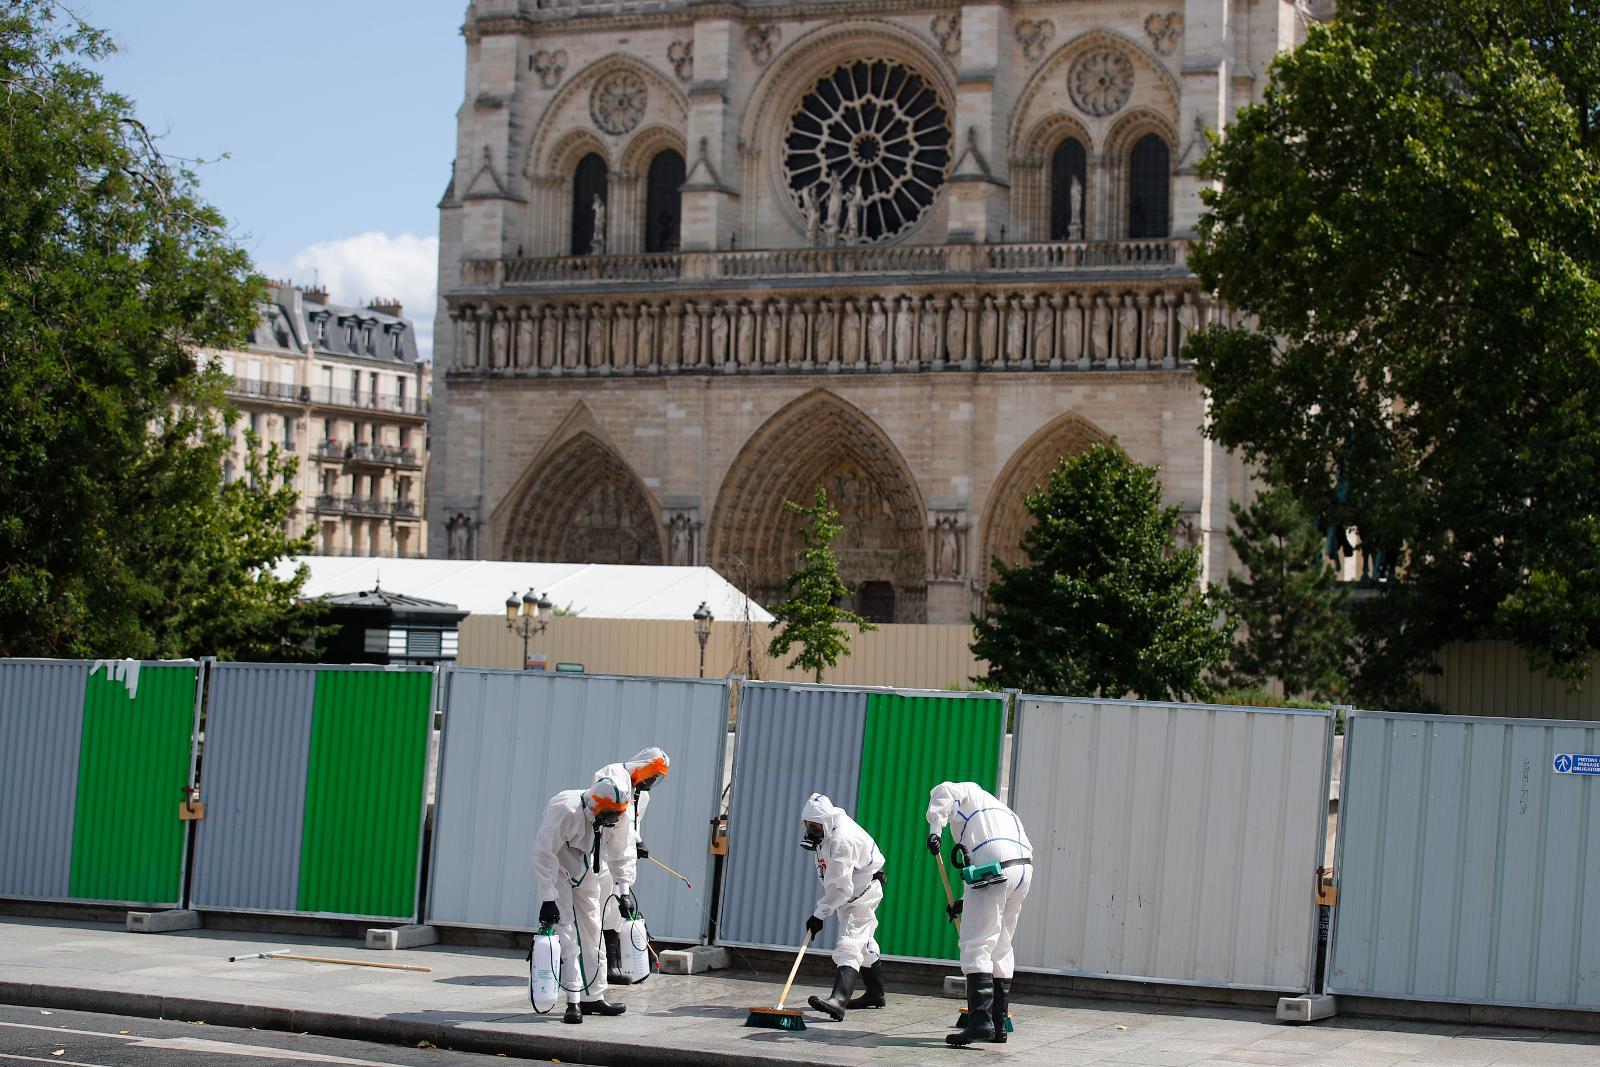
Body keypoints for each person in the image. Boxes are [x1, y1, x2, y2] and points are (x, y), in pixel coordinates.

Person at [926, 781, 1033, 1046]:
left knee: (976, 944)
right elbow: (987, 863)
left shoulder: (963, 791)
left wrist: (934, 830)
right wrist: (964, 901)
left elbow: (943, 793)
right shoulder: (999, 810)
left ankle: (980, 1022)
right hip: (1022, 870)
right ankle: (998, 1026)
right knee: (1001, 946)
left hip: (994, 865)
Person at [531, 776, 632, 1023]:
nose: (614, 819)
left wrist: (624, 891)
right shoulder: (565, 810)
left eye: (617, 813)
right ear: (595, 805)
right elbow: (543, 853)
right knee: (567, 932)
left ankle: (593, 997)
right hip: (559, 865)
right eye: (609, 813)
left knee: (593, 929)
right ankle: (573, 999)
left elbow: (622, 852)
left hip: (588, 866)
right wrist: (548, 897)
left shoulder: (617, 813)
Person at [799, 792, 887, 1020]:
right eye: (808, 824)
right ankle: (875, 994)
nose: (811, 829)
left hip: (861, 893)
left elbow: (841, 888)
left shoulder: (842, 841)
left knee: (850, 942)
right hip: (850, 893)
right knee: (864, 944)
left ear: (826, 821)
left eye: (815, 825)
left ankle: (838, 1000)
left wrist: (819, 915)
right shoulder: (827, 831)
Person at [593, 747, 672, 984]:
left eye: (657, 778)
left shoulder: (643, 796)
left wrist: (638, 841)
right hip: (603, 855)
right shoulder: (614, 775)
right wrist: (632, 841)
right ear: (642, 767)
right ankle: (594, 966)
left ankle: (613, 966)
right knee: (598, 909)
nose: (652, 781)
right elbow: (611, 817)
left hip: (622, 856)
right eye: (652, 775)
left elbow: (631, 826)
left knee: (617, 910)